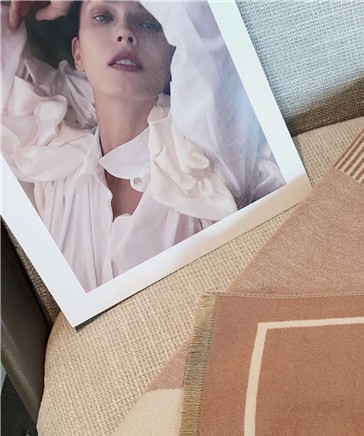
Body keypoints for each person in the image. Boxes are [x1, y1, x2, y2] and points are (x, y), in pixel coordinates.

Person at [2, 0, 284, 292]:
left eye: (149, 23)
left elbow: (197, 22)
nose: (124, 32)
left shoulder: (207, 150)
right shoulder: (51, 158)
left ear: (173, 55)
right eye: (103, 17)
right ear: (78, 53)